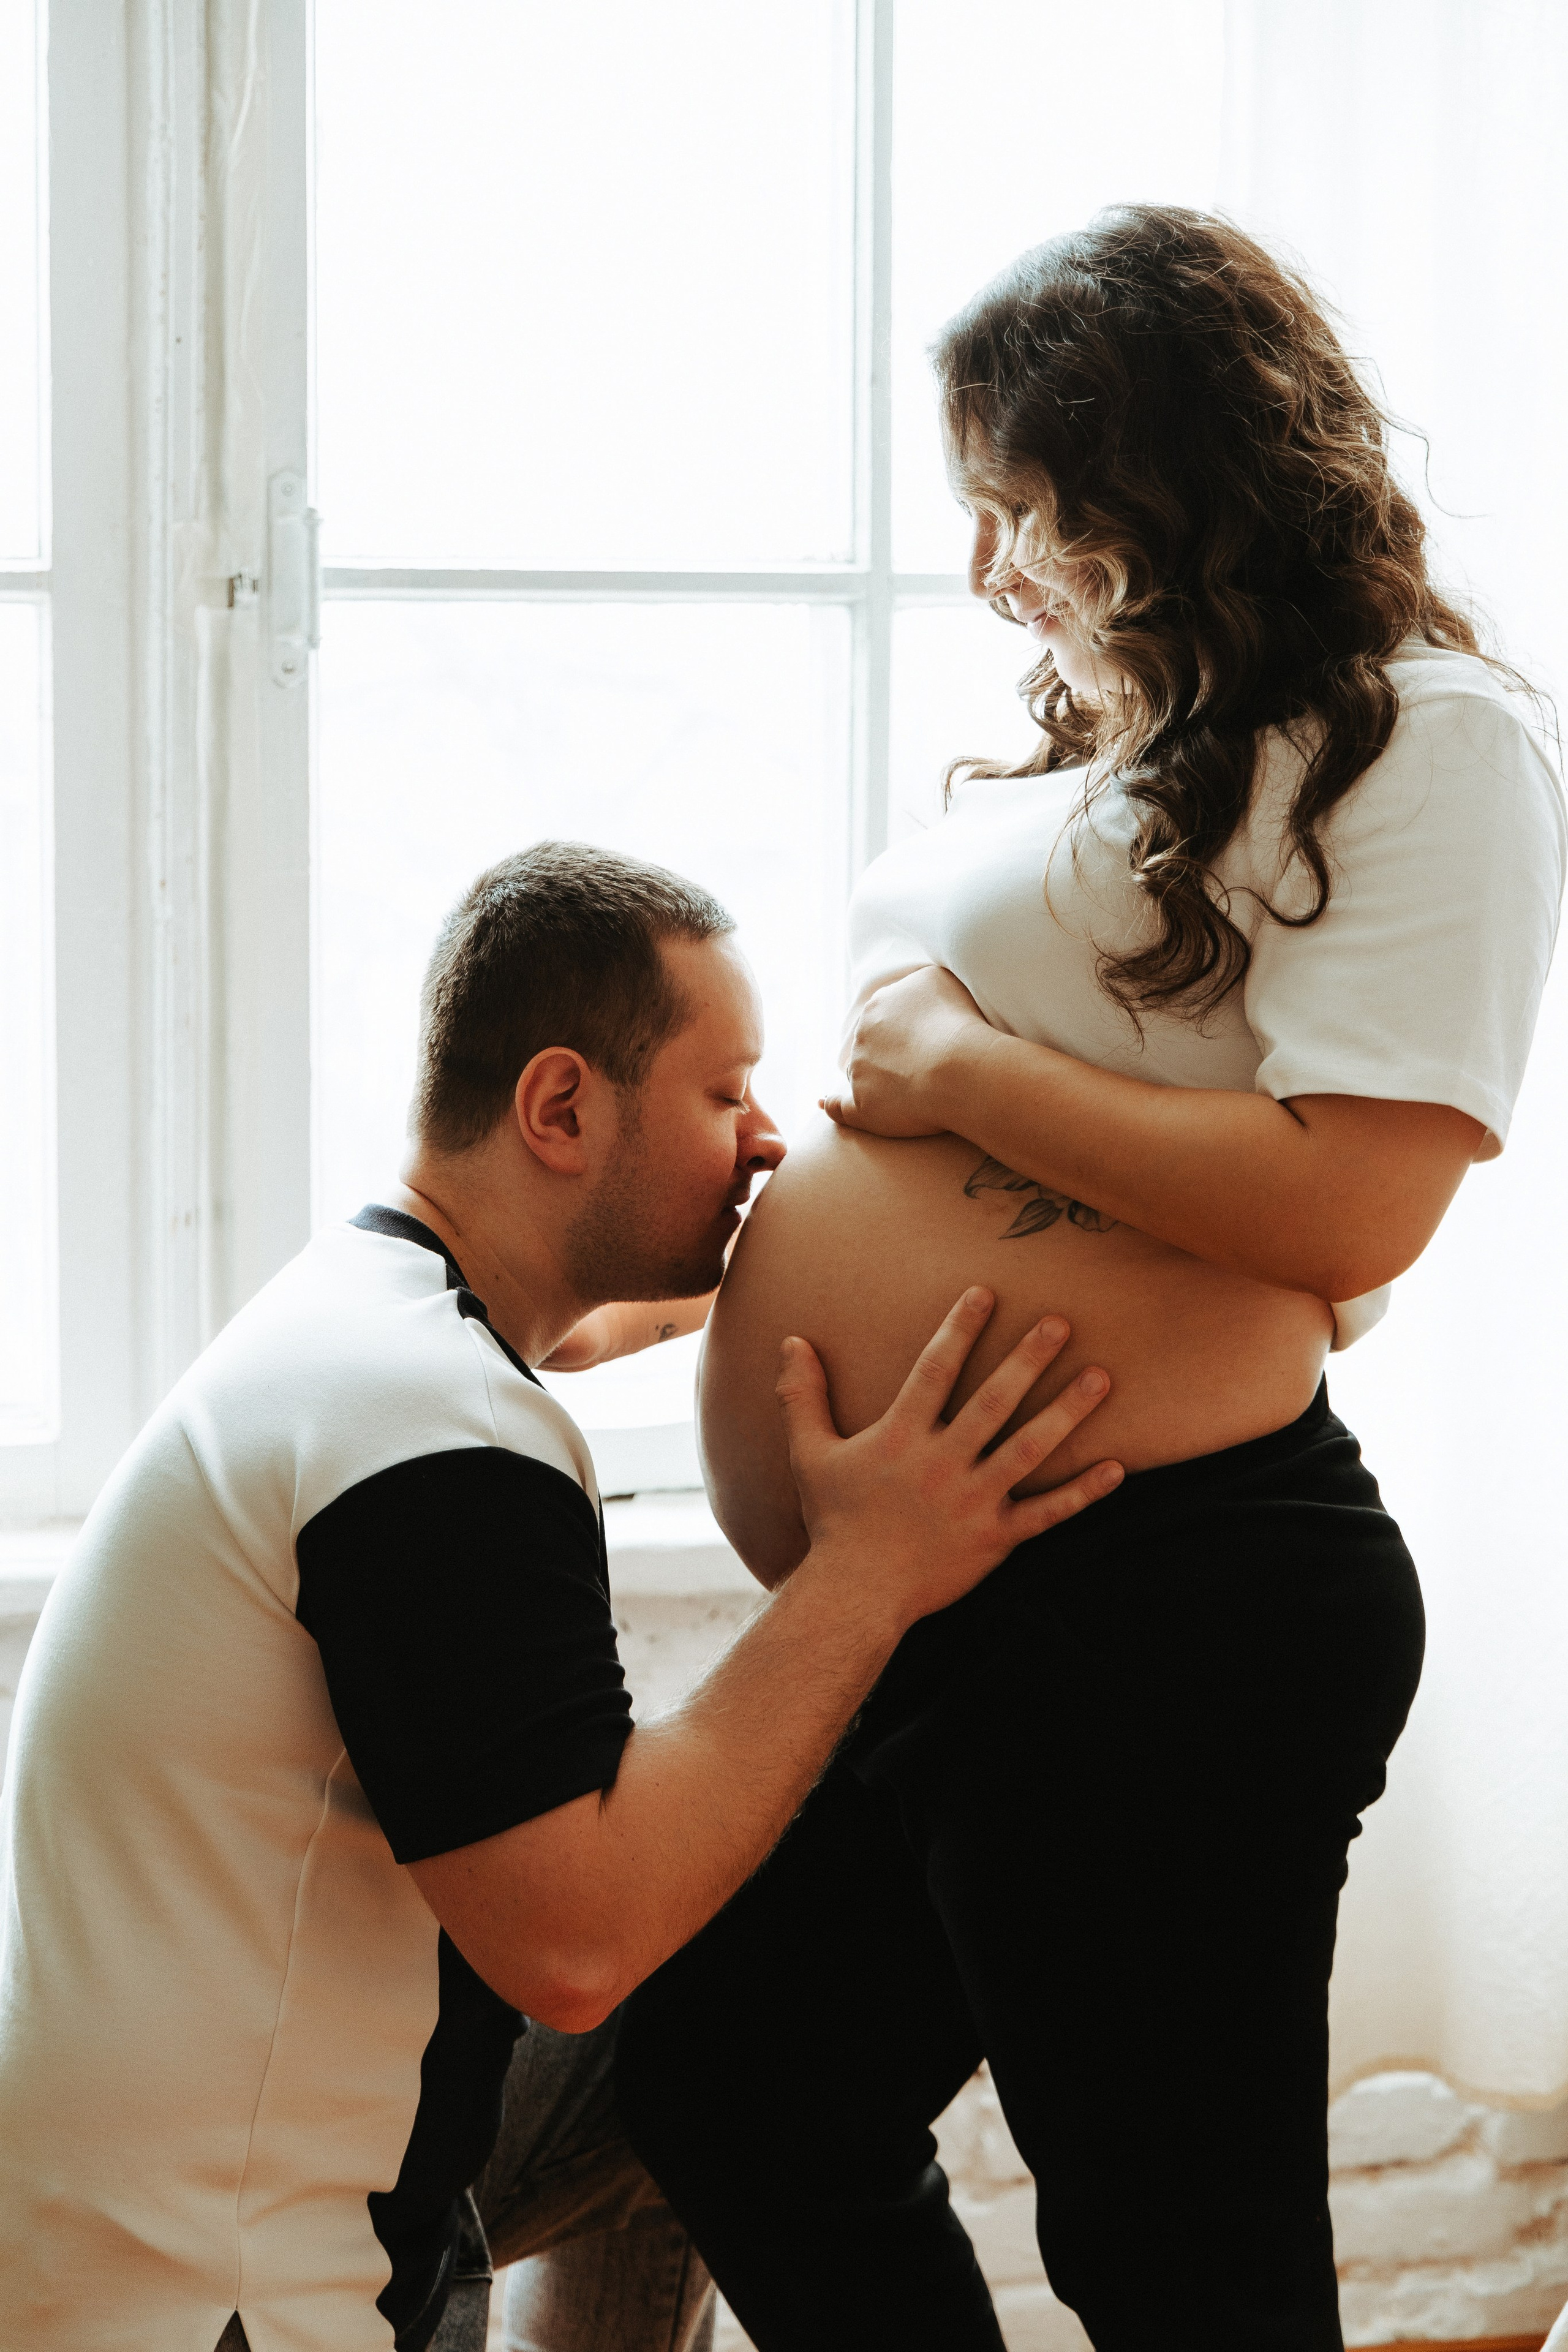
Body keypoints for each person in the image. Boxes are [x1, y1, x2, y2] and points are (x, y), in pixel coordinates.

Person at [608, 209, 1567, 2350]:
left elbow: (1354, 1211)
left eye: (1020, 511)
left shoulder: (1426, 736)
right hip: (951, 1576)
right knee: (736, 2073)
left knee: (1176, 2252)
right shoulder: (1133, 755)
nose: (987, 573)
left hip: (1175, 1596)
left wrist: (957, 1066)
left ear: (1168, 486)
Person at [0, 842, 1123, 2352]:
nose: (769, 1141)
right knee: (695, 1991)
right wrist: (871, 1567)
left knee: (729, 2041)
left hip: (151, 2192)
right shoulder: (437, 1433)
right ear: (557, 1108)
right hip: (223, 2294)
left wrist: (641, 1311)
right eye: (724, 1094)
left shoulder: (365, 1335)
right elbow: (577, 1946)